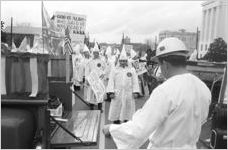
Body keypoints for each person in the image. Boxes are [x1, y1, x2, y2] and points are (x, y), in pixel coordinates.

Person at [103, 37, 211, 149]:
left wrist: (111, 128)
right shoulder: (203, 88)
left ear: (165, 63)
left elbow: (139, 129)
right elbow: (201, 119)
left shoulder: (166, 90)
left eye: (159, 64)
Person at [106, 46, 140, 124]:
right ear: (119, 61)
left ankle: (126, 123)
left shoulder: (132, 70)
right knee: (116, 108)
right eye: (121, 61)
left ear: (127, 61)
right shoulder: (115, 70)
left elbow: (135, 81)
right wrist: (111, 92)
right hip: (117, 93)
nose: (123, 62)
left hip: (128, 93)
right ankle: (116, 123)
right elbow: (111, 81)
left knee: (128, 108)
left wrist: (136, 92)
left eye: (124, 61)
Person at [85, 43, 106, 111]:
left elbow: (105, 69)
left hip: (99, 79)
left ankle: (100, 106)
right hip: (92, 80)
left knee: (99, 92)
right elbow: (87, 71)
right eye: (94, 53)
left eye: (97, 53)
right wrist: (87, 79)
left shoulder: (102, 61)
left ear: (98, 53)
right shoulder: (90, 61)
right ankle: (92, 106)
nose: (96, 54)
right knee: (92, 92)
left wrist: (103, 73)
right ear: (93, 53)